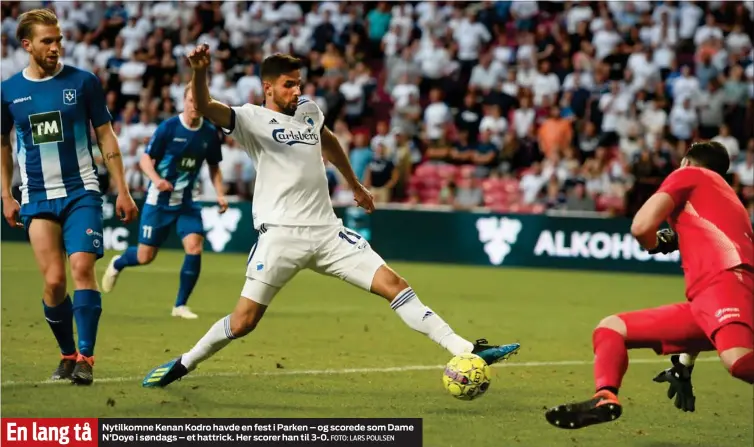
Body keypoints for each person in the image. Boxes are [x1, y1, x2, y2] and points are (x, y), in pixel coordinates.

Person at [142, 47, 520, 388]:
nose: (296, 91)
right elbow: (206, 105)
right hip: (279, 237)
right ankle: (184, 363)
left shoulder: (308, 111)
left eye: (299, 83)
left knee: (396, 285)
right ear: (268, 87)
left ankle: (467, 348)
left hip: (328, 233)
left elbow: (329, 141)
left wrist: (354, 184)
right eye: (288, 85)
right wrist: (200, 72)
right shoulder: (249, 119)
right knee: (243, 323)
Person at [545, 141, 754, 429]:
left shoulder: (689, 175)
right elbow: (715, 310)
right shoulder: (727, 204)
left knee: (738, 361)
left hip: (726, 283)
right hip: (716, 296)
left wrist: (656, 243)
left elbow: (641, 227)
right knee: (612, 328)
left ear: (686, 162)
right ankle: (605, 396)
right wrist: (684, 364)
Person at [0, 9, 138, 385]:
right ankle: (66, 354)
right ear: (27, 45)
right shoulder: (9, 91)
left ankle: (86, 359)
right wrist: (6, 195)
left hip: (82, 192)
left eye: (58, 39)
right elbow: (2, 143)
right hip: (38, 196)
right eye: (47, 40)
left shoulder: (83, 82)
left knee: (81, 270)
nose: (56, 47)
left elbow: (106, 136)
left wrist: (122, 188)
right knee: (55, 282)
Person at [100, 84, 227, 319]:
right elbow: (145, 159)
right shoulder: (168, 128)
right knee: (145, 257)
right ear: (184, 101)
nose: (194, 105)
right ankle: (118, 263)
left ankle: (180, 305)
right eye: (191, 100)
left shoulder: (209, 132)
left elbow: (214, 167)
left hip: (188, 202)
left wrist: (220, 193)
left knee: (194, 247)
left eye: (199, 101)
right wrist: (157, 180)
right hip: (159, 200)